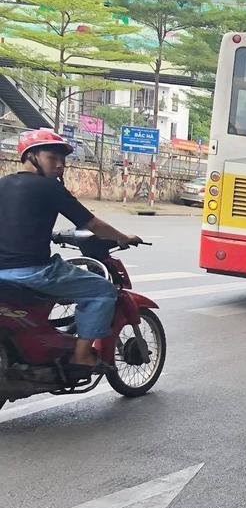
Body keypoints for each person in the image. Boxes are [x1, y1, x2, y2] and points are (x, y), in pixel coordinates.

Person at [0, 129, 141, 371]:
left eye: (62, 160)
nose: (60, 165)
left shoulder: (3, 184)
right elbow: (93, 224)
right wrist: (123, 237)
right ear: (31, 157)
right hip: (35, 272)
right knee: (101, 290)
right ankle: (82, 355)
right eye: (52, 158)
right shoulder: (49, 187)